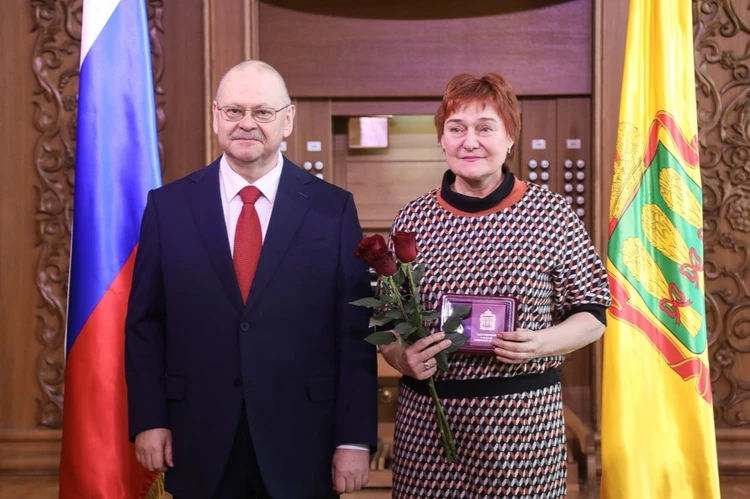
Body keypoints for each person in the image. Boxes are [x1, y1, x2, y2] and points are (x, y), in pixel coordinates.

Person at [125, 60, 378, 499]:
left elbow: (355, 334)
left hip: (304, 444)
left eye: (262, 112)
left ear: (288, 120)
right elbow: (145, 325)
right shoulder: (168, 207)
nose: (246, 123)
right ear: (215, 116)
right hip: (197, 439)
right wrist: (150, 418)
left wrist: (353, 439)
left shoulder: (333, 209)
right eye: (233, 111)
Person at [379, 73, 611, 498]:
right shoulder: (413, 219)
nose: (470, 142)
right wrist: (401, 358)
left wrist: (540, 343)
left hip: (522, 429)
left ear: (510, 138)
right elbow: (386, 319)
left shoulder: (551, 215)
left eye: (485, 128)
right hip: (428, 426)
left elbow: (593, 314)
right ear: (442, 139)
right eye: (456, 129)